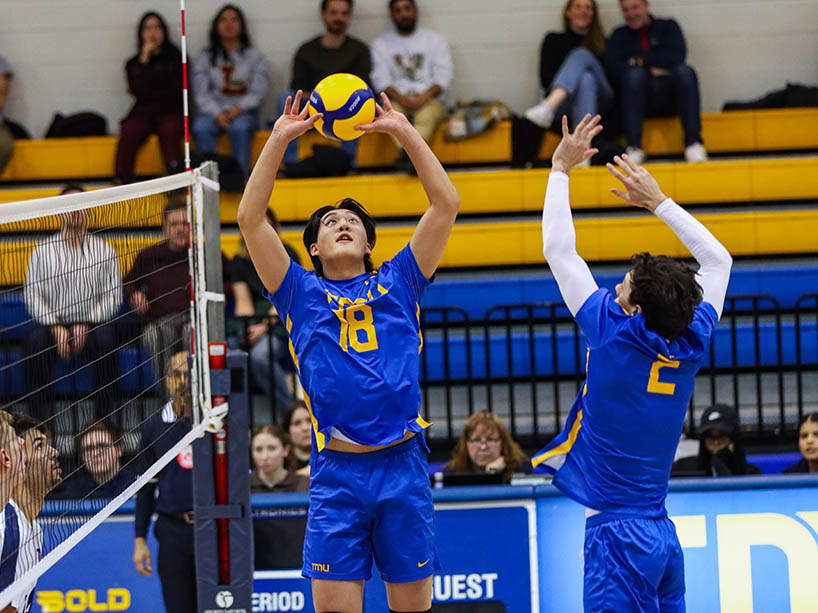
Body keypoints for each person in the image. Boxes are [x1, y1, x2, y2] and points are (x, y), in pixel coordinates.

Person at [237, 88, 459, 612]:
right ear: (313, 248)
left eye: (353, 222)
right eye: (331, 222)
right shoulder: (297, 291)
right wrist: (277, 141)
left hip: (403, 465)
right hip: (337, 473)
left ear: (367, 245)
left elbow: (446, 203)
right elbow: (250, 219)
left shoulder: (402, 278)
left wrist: (404, 132)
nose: (343, 223)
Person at [532, 114, 732, 610]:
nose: (614, 286)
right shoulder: (692, 337)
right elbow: (719, 262)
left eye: (622, 285)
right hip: (661, 535)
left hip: (616, 535)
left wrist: (560, 168)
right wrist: (658, 202)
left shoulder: (612, 332)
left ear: (636, 308)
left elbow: (558, 249)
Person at [22, 185, 121, 420]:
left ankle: (104, 421)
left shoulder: (105, 251)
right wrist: (54, 326)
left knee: (107, 339)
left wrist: (87, 322)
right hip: (52, 326)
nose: (75, 211)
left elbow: (113, 296)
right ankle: (39, 423)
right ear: (58, 212)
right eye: (69, 207)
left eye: (80, 206)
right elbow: (32, 294)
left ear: (89, 211)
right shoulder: (42, 251)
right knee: (34, 342)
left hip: (93, 325)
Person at [132, 351, 196, 613]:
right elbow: (146, 488)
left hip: (214, 527)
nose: (183, 382)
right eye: (176, 375)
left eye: (188, 375)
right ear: (168, 381)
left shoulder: (215, 421)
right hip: (172, 531)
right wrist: (139, 540)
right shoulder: (153, 426)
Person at [606, 0, 707, 164]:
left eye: (635, 7)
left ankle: (694, 144)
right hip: (636, 102)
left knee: (685, 72)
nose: (631, 14)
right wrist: (652, 67)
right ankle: (634, 147)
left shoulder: (668, 26)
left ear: (646, 5)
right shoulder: (618, 35)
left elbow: (677, 57)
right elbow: (613, 69)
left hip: (671, 98)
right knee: (634, 77)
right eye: (626, 10)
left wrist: (637, 61)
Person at [281, 0, 371, 169]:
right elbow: (297, 88)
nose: (339, 18)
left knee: (361, 103)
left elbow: (363, 88)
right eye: (334, 12)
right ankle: (290, 164)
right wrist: (322, 100)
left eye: (344, 13)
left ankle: (349, 163)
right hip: (313, 105)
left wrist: (338, 100)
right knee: (285, 98)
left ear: (350, 16)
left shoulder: (359, 50)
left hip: (347, 106)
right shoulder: (306, 50)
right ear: (323, 14)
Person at [370, 0, 453, 172]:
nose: (403, 14)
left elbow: (443, 77)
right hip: (395, 99)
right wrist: (401, 98)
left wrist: (425, 96)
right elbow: (380, 80)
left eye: (407, 9)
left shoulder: (434, 41)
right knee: (390, 115)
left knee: (426, 116)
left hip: (429, 99)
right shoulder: (380, 44)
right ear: (392, 15)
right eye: (398, 10)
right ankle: (413, 156)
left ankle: (406, 155)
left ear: (415, 10)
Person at [229, 209, 298, 411]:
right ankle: (236, 417)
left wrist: (264, 327)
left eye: (265, 227)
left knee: (260, 356)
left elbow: (288, 298)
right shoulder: (239, 262)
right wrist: (248, 330)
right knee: (230, 351)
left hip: (282, 323)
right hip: (257, 323)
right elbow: (244, 304)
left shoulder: (287, 254)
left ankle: (291, 412)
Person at [192, 4, 270, 179]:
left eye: (234, 20)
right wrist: (217, 113)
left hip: (243, 113)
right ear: (216, 26)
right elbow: (201, 93)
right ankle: (208, 183)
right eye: (223, 20)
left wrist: (238, 108)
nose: (229, 24)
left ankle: (239, 181)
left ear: (241, 26)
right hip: (211, 113)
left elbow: (259, 91)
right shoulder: (205, 57)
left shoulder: (254, 56)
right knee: (201, 127)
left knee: (240, 128)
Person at [524, 0, 613, 148]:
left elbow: (612, 79)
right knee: (586, 79)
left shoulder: (605, 42)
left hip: (601, 101)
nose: (583, 12)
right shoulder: (553, 39)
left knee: (581, 55)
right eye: (578, 7)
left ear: (594, 14)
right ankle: (583, 148)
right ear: (568, 13)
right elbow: (545, 80)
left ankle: (547, 107)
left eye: (588, 8)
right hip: (564, 106)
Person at [114, 12, 184, 184]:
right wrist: (144, 60)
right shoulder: (133, 63)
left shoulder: (177, 58)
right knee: (129, 130)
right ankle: (121, 182)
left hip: (170, 110)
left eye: (157, 27)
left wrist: (148, 87)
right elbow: (140, 91)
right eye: (147, 28)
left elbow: (174, 90)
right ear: (141, 33)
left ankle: (176, 183)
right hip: (143, 112)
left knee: (170, 131)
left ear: (164, 32)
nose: (152, 32)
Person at [4, 415, 62, 613]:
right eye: (39, 446)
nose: (54, 452)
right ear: (16, 460)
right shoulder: (9, 526)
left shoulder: (34, 530)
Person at [671, 404, 761, 477]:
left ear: (734, 439)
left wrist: (718, 463)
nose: (716, 442)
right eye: (710, 437)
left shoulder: (751, 474)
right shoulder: (682, 468)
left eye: (722, 437)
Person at [444, 411, 532, 483]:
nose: (483, 447)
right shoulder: (451, 472)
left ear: (503, 442)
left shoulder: (521, 468)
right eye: (476, 440)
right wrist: (489, 473)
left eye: (490, 440)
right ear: (466, 443)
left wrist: (493, 472)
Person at [63, 420, 136, 499]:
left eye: (102, 446)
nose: (95, 453)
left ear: (118, 450)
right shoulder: (75, 490)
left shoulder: (135, 485)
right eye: (88, 449)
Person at [250, 425, 309, 494]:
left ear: (285, 450)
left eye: (271, 448)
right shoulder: (243, 484)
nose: (264, 457)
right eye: (258, 449)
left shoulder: (303, 484)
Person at [283, 401, 312, 473]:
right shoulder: (281, 460)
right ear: (288, 431)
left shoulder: (330, 457)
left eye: (309, 420)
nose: (305, 428)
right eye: (297, 423)